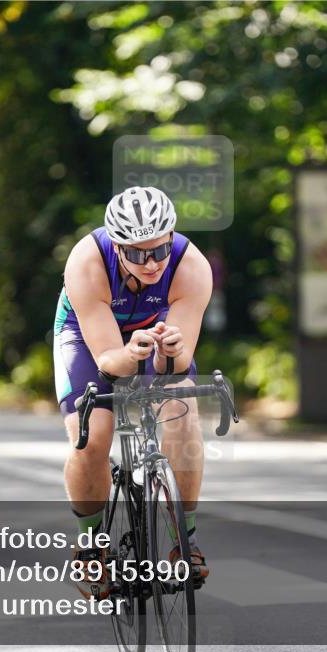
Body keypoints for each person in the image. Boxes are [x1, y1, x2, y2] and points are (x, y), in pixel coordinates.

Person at [53, 186, 213, 599]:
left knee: (181, 410)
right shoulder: (86, 261)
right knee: (93, 435)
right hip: (89, 338)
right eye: (138, 254)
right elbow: (108, 360)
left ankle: (186, 541)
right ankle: (90, 543)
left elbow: (174, 368)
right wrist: (128, 353)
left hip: (157, 331)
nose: (152, 263)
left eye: (160, 250)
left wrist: (172, 353)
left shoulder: (191, 266)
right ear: (118, 246)